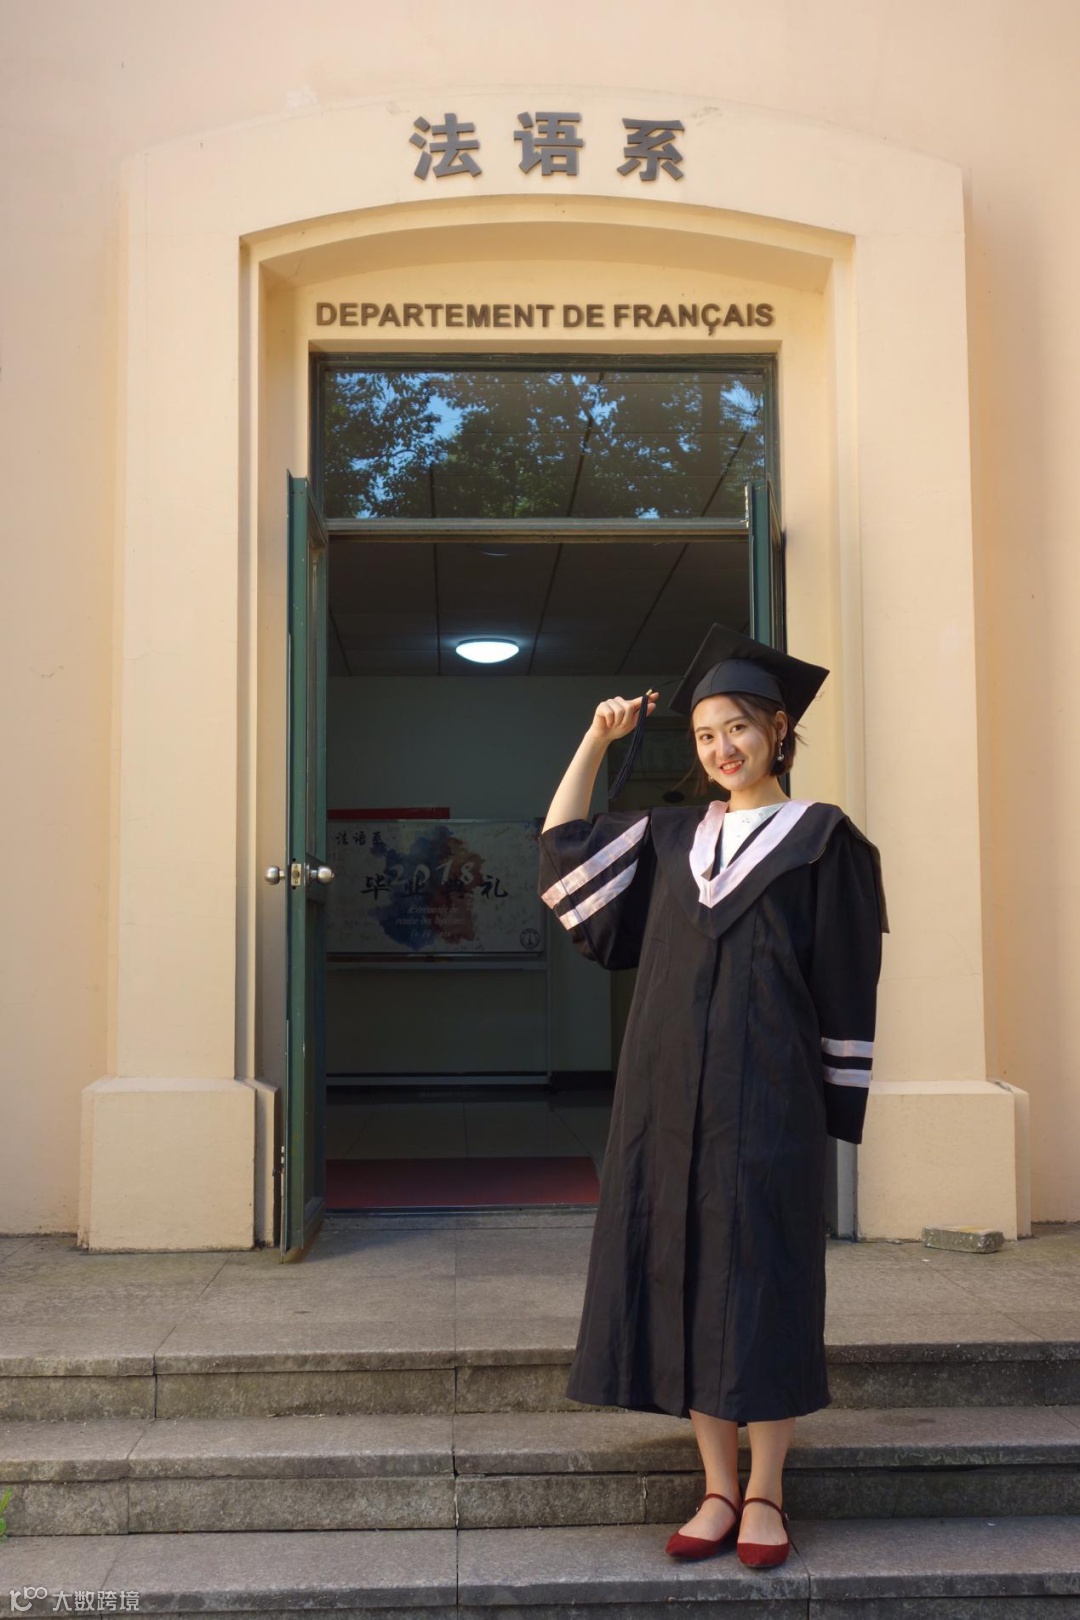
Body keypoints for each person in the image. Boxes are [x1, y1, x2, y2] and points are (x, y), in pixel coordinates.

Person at [537, 623, 888, 1568]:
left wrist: (830, 1108)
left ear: (778, 730)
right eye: (704, 735)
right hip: (664, 1102)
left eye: (737, 728)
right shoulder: (670, 839)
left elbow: (847, 982)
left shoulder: (823, 841)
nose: (721, 748)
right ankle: (717, 1488)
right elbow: (564, 855)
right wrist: (596, 741)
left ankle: (767, 1490)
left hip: (770, 1101)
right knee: (684, 1275)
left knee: (765, 1280)